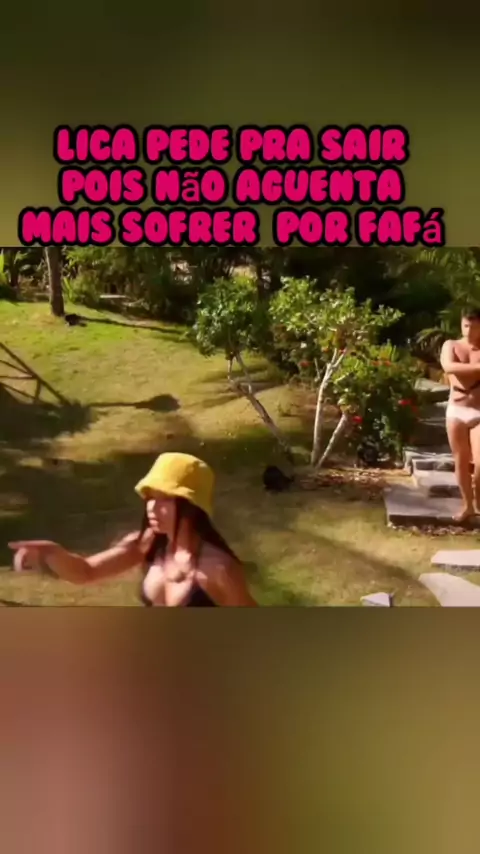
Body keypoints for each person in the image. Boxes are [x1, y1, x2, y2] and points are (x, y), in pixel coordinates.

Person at [9, 452, 257, 606]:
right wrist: (51, 552)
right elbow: (86, 571)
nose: (152, 507)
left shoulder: (220, 569)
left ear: (192, 507)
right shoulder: (146, 544)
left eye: (164, 499)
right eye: (150, 498)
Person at [440, 307, 480, 522]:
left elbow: (456, 369)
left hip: (478, 411)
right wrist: (477, 368)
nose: (469, 331)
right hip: (456, 410)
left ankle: (479, 500)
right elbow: (448, 366)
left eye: (474, 327)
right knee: (461, 461)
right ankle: (467, 506)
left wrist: (462, 369)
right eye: (466, 326)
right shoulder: (451, 345)